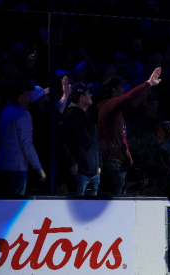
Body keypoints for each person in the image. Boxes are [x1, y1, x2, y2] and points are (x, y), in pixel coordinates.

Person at [97, 67, 161, 195]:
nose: (124, 89)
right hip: (112, 163)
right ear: (113, 89)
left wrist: (128, 156)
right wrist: (148, 83)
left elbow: (121, 136)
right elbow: (129, 97)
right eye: (121, 86)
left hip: (119, 163)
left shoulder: (116, 111)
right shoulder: (108, 106)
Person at [0, 80, 46, 195]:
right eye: (28, 93)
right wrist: (38, 168)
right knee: (14, 205)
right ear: (21, 98)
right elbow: (27, 144)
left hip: (1, 167)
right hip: (16, 171)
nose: (30, 96)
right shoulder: (23, 115)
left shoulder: (5, 111)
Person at [57, 82, 102, 195]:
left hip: (94, 172)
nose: (91, 95)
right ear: (82, 97)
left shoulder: (89, 116)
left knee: (92, 209)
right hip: (80, 174)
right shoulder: (71, 116)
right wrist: (71, 163)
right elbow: (61, 141)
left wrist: (99, 164)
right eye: (88, 93)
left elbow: (95, 142)